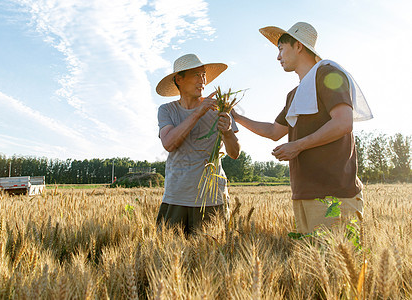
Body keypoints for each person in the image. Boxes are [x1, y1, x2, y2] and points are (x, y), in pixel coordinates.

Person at [232, 22, 372, 233]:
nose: (278, 57)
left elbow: (343, 122)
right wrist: (236, 116)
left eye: (281, 49)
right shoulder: (294, 95)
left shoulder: (328, 74)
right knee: (312, 263)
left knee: (333, 262)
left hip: (334, 194)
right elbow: (273, 132)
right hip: (304, 193)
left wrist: (298, 145)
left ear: (298, 46)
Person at [155, 53, 240, 235]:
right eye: (196, 75)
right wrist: (198, 113)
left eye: (203, 75)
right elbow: (169, 143)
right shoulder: (167, 110)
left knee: (211, 258)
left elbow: (234, 153)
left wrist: (227, 132)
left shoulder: (220, 107)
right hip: (177, 196)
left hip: (212, 199)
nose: (202, 80)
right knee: (170, 256)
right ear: (179, 79)